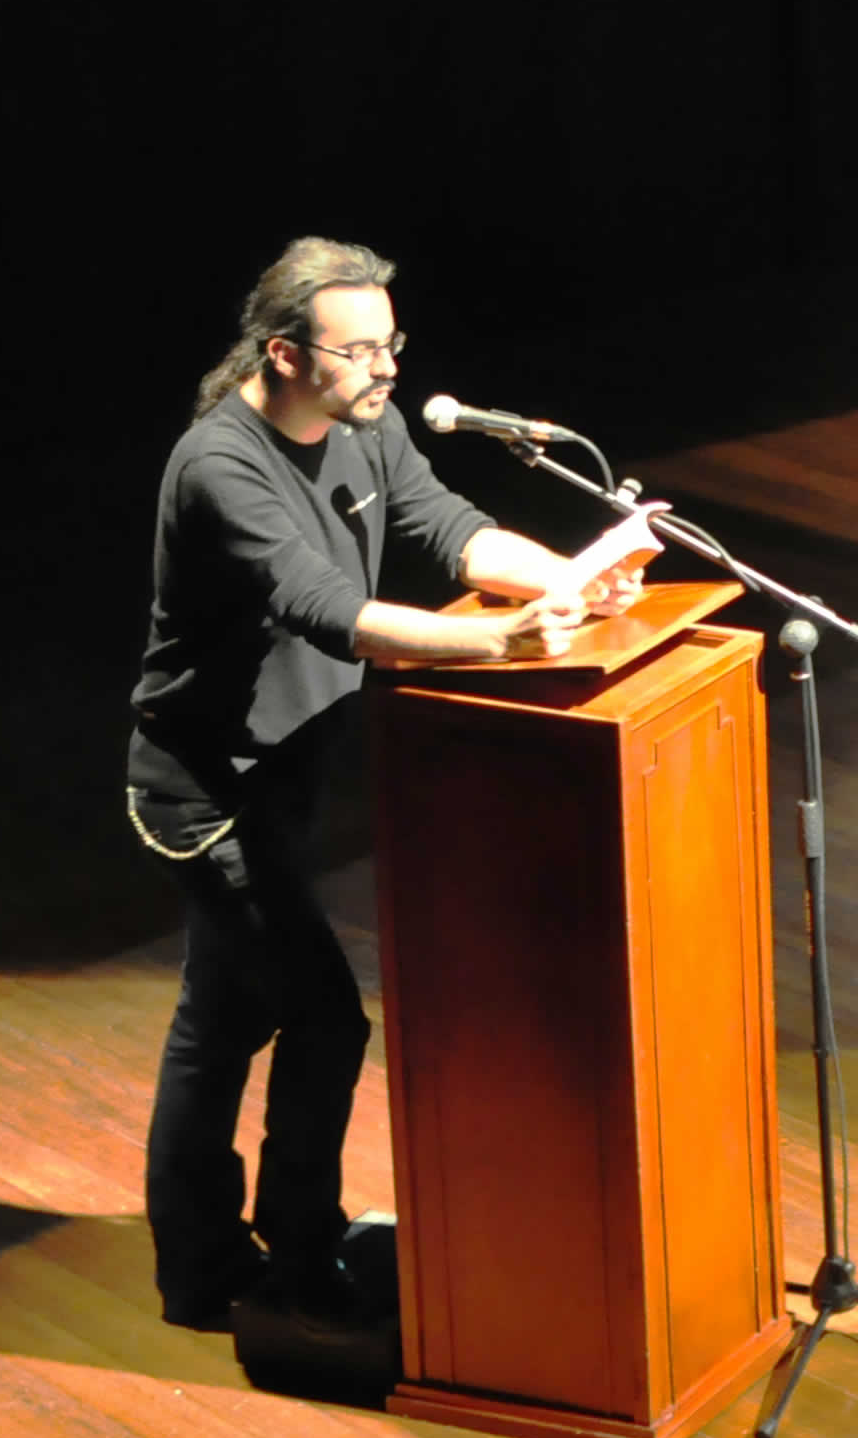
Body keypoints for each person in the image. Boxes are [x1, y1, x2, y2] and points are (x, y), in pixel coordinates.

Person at [125, 237, 647, 1329]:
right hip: (207, 792)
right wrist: (503, 646)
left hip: (288, 776)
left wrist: (571, 578)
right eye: (360, 351)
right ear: (283, 352)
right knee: (320, 1018)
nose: (386, 369)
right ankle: (295, 1253)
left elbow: (445, 527)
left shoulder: (369, 427)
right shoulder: (221, 466)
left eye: (391, 344)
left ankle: (203, 1263)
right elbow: (333, 612)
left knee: (220, 1016)